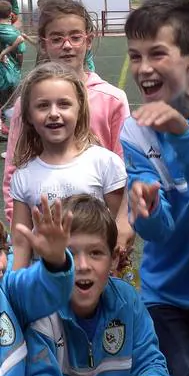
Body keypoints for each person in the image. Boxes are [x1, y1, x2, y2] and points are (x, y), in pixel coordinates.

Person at [25, 194, 189, 376]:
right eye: (69, 254)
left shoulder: (126, 301)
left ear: (114, 259)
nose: (82, 266)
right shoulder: (40, 312)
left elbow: (148, 359)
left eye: (95, 253)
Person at [122, 0, 189, 376]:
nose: (143, 68)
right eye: (135, 56)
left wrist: (184, 133)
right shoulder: (134, 128)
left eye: (157, 53)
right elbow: (157, 233)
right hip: (166, 295)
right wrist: (146, 209)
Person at [3, 0, 132, 254]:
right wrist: (20, 228)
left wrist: (121, 223)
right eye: (57, 38)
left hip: (96, 239)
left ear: (88, 40)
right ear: (43, 44)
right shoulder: (25, 103)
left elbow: (125, 168)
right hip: (45, 241)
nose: (67, 46)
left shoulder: (112, 99)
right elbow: (13, 171)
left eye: (75, 37)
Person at [9, 62, 127, 269]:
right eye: (43, 105)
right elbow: (21, 242)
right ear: (28, 115)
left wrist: (115, 268)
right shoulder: (24, 176)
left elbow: (121, 227)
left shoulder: (104, 163)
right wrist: (17, 288)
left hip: (95, 281)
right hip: (47, 285)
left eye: (64, 104)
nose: (54, 113)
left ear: (80, 107)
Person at [0, 194, 74, 376]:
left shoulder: (8, 293)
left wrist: (55, 262)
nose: (1, 264)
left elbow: (46, 290)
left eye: (1, 250)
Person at [0, 0, 25, 119]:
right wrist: (19, 66)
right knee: (11, 104)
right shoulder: (15, 33)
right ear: (10, 15)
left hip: (3, 75)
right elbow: (20, 53)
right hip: (12, 74)